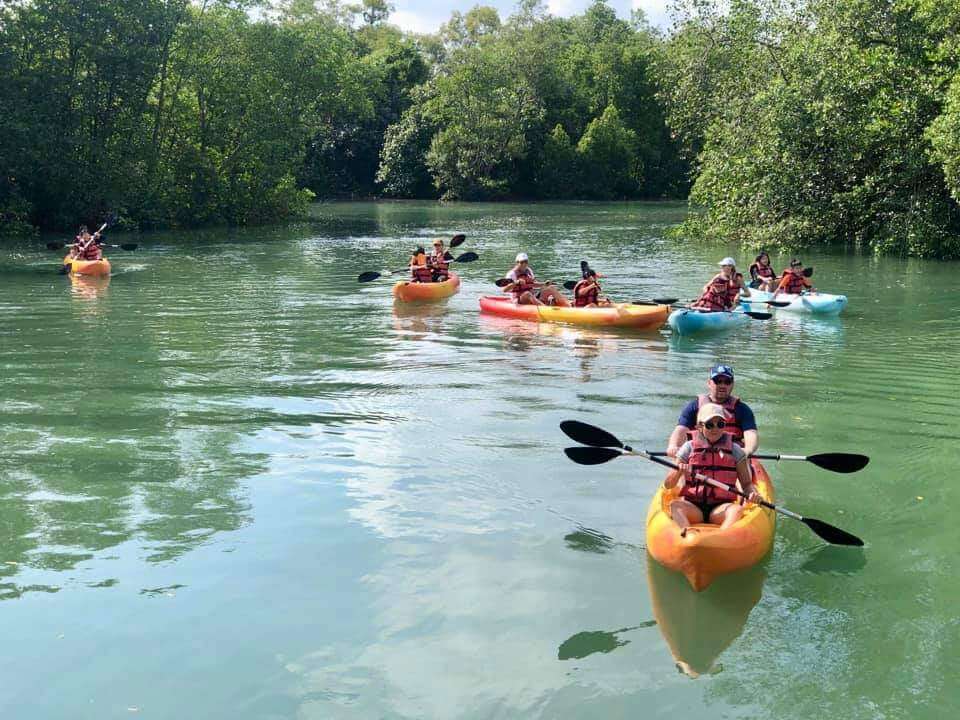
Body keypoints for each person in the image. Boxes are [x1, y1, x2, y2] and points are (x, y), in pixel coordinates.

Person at [663, 403, 761, 536]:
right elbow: (668, 484)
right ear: (699, 427)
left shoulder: (735, 450)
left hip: (720, 508)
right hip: (693, 506)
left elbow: (747, 484)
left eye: (720, 424)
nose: (715, 429)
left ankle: (720, 538)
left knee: (736, 510)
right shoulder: (688, 448)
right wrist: (678, 471)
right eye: (710, 424)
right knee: (675, 506)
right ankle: (688, 534)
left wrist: (753, 494)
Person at [666, 364, 759, 457]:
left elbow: (751, 433)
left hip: (733, 458)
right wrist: (673, 446)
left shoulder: (742, 409)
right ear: (709, 383)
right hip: (699, 457)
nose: (722, 385)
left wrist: (748, 449)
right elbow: (681, 429)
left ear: (732, 384)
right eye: (718, 381)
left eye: (727, 382)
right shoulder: (694, 407)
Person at [501, 253, 569, 306]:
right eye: (521, 262)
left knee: (551, 288)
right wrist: (516, 282)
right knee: (527, 294)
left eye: (526, 262)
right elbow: (504, 290)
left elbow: (534, 284)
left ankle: (568, 305)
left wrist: (545, 284)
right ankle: (545, 309)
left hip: (532, 296)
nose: (524, 264)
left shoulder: (529, 271)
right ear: (517, 263)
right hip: (519, 299)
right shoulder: (512, 274)